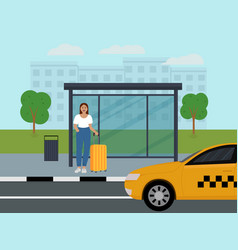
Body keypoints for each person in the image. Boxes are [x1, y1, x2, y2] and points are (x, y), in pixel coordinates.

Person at [73, 103, 98, 174]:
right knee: (79, 149)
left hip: (87, 132)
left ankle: (84, 167)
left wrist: (95, 132)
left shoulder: (89, 116)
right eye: (82, 107)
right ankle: (78, 167)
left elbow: (90, 127)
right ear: (80, 108)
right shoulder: (77, 116)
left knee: (86, 150)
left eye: (85, 107)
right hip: (80, 132)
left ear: (87, 109)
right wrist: (77, 130)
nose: (84, 108)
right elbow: (75, 125)